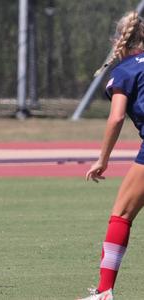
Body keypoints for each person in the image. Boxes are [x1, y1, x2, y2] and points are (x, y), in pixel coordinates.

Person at [79, 11, 144, 300]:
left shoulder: (125, 71)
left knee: (121, 215)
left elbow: (116, 118)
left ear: (118, 40)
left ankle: (105, 292)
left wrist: (102, 159)